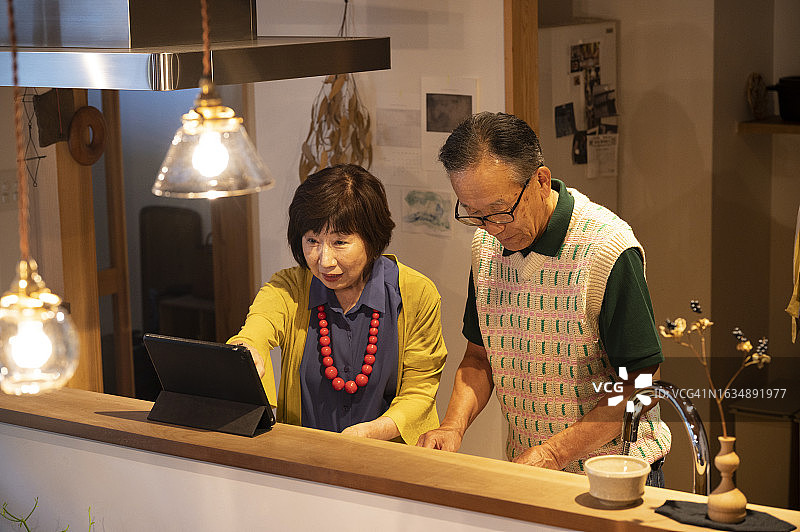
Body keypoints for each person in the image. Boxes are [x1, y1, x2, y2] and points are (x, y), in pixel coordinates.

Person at [417, 112, 670, 486]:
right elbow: (479, 358)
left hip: (615, 474)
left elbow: (641, 384)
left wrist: (554, 453)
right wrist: (453, 425)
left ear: (540, 181)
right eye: (474, 214)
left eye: (501, 211)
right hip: (533, 470)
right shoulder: (485, 247)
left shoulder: (606, 249)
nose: (493, 228)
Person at [228, 164, 447, 443]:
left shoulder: (416, 294)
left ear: (371, 238)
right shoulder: (289, 287)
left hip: (390, 455)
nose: (325, 260)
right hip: (305, 455)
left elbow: (420, 391)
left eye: (340, 242)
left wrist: (371, 432)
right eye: (312, 240)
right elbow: (258, 327)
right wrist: (247, 349)